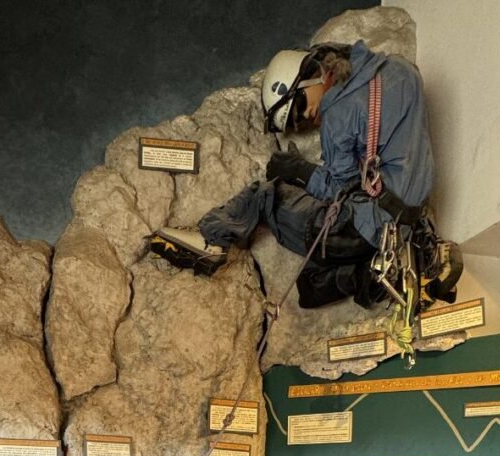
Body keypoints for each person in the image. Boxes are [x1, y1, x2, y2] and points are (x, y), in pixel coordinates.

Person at [151, 41, 461, 309]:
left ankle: (211, 240)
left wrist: (298, 171)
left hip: (361, 228)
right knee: (309, 288)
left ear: (312, 72)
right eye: (296, 122)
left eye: (299, 107)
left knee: (266, 192)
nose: (306, 119)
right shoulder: (401, 71)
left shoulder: (339, 111)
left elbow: (337, 189)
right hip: (404, 224)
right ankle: (378, 277)